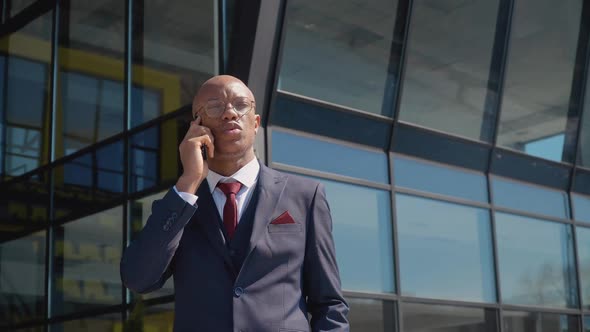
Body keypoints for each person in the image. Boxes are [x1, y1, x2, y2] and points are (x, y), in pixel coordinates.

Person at [120, 75, 349, 331]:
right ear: (197, 125)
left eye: (240, 105)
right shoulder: (179, 205)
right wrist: (188, 181)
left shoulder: (306, 196)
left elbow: (329, 304)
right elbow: (138, 278)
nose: (230, 113)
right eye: (215, 106)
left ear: (256, 123)